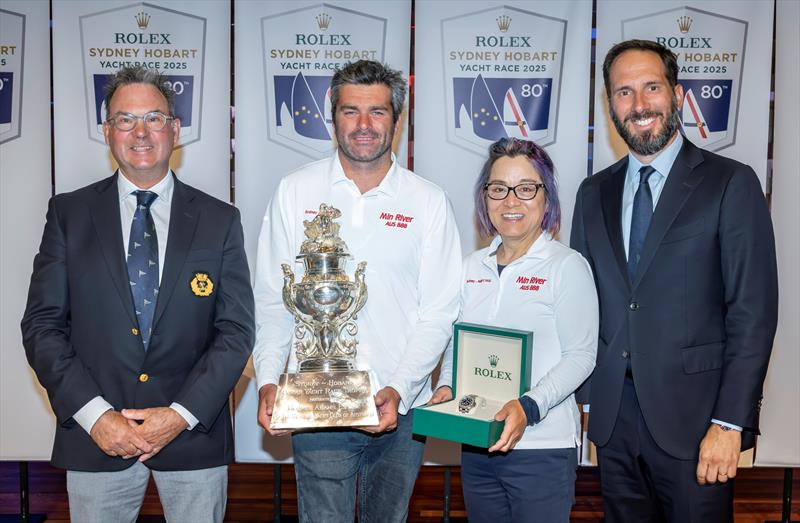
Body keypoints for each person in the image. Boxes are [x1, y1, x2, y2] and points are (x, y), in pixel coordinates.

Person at [21, 66, 254, 522]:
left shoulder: (219, 219)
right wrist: (96, 416)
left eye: (154, 118)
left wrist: (181, 414)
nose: (141, 132)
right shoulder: (68, 214)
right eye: (126, 120)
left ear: (175, 129)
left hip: (191, 434)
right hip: (97, 438)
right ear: (107, 131)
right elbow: (42, 326)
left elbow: (235, 331)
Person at [570, 39, 778, 522]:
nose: (639, 105)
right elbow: (582, 306)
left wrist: (729, 423)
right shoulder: (592, 193)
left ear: (677, 94)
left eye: (651, 88)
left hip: (699, 426)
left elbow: (753, 313)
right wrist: (584, 406)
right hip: (614, 426)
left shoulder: (730, 183)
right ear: (610, 105)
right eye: (624, 92)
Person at [252, 60, 461, 522]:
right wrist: (269, 378)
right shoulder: (294, 192)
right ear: (332, 115)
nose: (364, 125)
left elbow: (439, 310)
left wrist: (399, 388)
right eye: (351, 111)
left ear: (397, 120)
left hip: (399, 410)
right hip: (316, 405)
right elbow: (273, 298)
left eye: (378, 112)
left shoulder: (427, 201)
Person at [430, 138, 598, 522]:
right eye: (498, 188)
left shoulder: (566, 267)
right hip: (478, 442)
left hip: (542, 446)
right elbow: (460, 341)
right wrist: (449, 386)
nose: (510, 201)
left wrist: (528, 406)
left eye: (525, 188)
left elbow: (582, 356)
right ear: (484, 197)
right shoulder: (471, 266)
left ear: (546, 197)